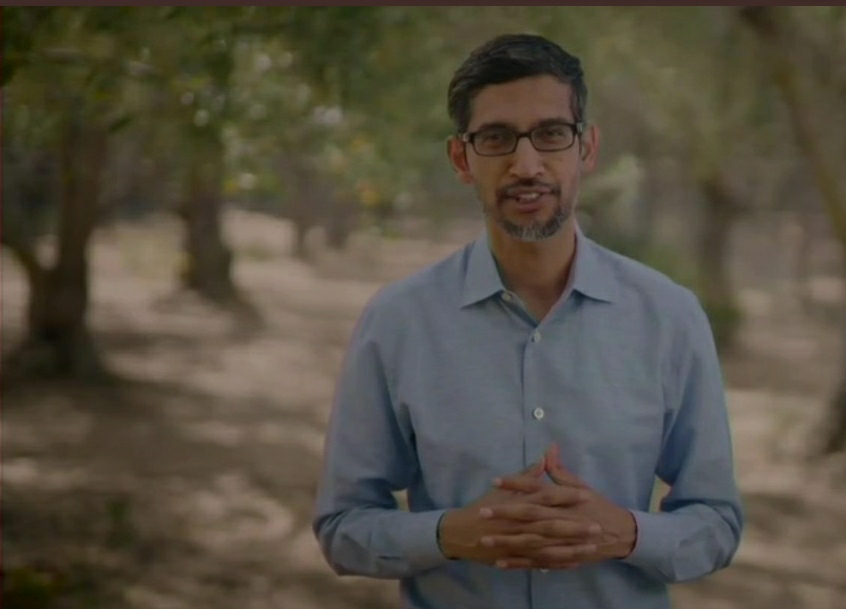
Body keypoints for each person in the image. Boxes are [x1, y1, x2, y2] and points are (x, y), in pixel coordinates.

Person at [313, 33, 743, 609]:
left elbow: (717, 523)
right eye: (496, 138)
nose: (526, 164)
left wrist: (625, 533)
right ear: (461, 159)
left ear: (586, 148)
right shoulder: (398, 322)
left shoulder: (669, 317)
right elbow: (343, 528)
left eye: (551, 134)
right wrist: (449, 535)